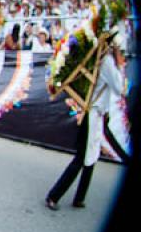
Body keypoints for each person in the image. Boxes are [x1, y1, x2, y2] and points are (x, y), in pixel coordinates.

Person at [45, 37, 125, 210]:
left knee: (91, 155)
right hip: (93, 114)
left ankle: (79, 197)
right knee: (83, 157)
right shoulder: (108, 62)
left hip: (96, 113)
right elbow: (119, 88)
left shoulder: (102, 58)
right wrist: (120, 65)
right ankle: (54, 195)